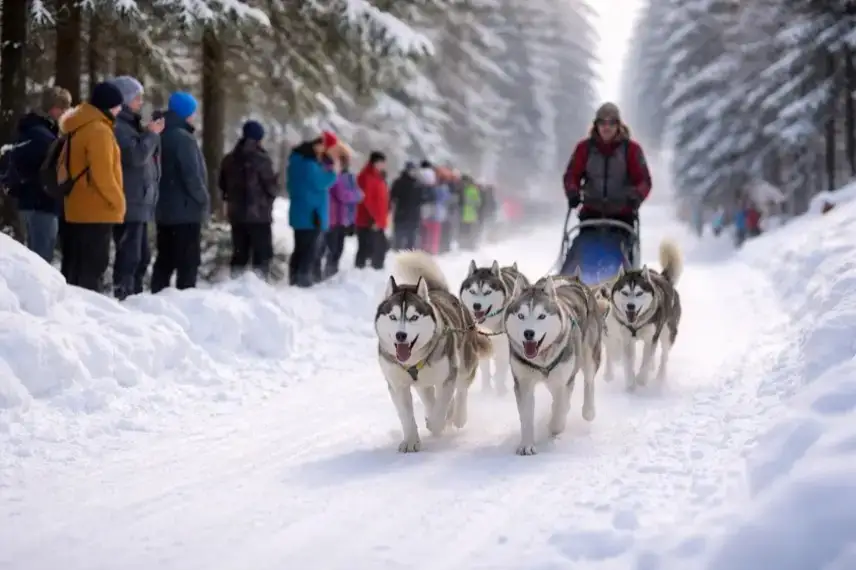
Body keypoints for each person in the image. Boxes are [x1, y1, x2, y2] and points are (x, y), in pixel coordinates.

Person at [562, 102, 651, 269]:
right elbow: (571, 176)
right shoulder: (584, 149)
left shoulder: (631, 150)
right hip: (590, 216)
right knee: (576, 256)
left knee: (622, 262)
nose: (606, 127)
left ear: (619, 125)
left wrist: (637, 196)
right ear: (596, 125)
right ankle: (563, 288)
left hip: (621, 219)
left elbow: (644, 180)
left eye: (611, 123)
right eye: (602, 123)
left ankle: (624, 288)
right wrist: (573, 192)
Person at [59, 81, 126, 291]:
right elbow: (103, 174)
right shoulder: (99, 131)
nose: (120, 109)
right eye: (117, 105)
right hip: (97, 209)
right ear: (107, 106)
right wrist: (119, 203)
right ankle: (86, 319)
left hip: (76, 207)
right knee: (93, 269)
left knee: (76, 268)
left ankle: (73, 315)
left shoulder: (77, 126)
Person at [110, 76, 163, 299]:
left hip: (139, 202)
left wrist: (149, 132)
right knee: (129, 257)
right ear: (124, 99)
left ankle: (136, 298)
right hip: (128, 201)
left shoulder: (133, 125)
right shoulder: (119, 127)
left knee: (142, 257)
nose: (141, 102)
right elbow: (135, 156)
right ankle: (124, 297)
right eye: (137, 97)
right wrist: (151, 134)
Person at [151, 91, 209, 293]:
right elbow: (192, 176)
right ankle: (185, 303)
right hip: (185, 211)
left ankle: (158, 298)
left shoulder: (161, 133)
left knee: (165, 260)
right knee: (187, 263)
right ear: (186, 113)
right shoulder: (184, 139)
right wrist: (203, 198)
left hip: (164, 210)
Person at [6, 86, 72, 262]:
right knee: (41, 260)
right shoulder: (43, 136)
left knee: (35, 258)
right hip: (41, 203)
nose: (66, 113)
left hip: (30, 202)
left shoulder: (32, 129)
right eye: (63, 108)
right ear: (53, 109)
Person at [219, 120, 278, 279]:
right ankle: (260, 286)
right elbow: (271, 187)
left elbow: (222, 185)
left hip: (237, 215)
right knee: (262, 255)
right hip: (259, 215)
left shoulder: (229, 159)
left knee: (239, 253)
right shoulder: (262, 160)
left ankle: (236, 285)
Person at [286, 130, 338, 287]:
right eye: (321, 145)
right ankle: (303, 281)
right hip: (311, 215)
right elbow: (321, 182)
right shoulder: (309, 165)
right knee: (308, 250)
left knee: (299, 248)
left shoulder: (296, 162)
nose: (323, 149)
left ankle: (294, 279)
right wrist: (333, 173)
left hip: (300, 213)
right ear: (314, 145)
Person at [326, 151, 361, 277]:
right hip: (333, 217)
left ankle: (332, 273)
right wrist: (357, 195)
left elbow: (353, 193)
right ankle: (328, 273)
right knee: (333, 248)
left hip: (342, 218)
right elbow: (345, 195)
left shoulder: (348, 176)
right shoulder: (335, 176)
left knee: (339, 248)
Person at [355, 151, 390, 269]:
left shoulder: (379, 177)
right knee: (368, 247)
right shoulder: (367, 176)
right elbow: (367, 199)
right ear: (375, 163)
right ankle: (362, 270)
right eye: (381, 163)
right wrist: (373, 218)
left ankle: (372, 269)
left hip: (377, 219)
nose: (383, 165)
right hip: (368, 220)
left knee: (379, 246)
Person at [389, 161, 423, 250]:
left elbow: (421, 199)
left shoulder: (417, 183)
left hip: (412, 215)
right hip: (402, 214)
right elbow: (392, 196)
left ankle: (408, 254)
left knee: (410, 238)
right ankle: (397, 253)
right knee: (399, 237)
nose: (413, 172)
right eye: (411, 170)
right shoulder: (400, 182)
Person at [458, 174, 481, 250]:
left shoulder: (472, 190)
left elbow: (478, 202)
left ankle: (469, 245)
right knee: (466, 231)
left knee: (468, 231)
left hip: (469, 214)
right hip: (468, 214)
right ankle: (467, 245)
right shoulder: (470, 189)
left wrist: (470, 202)